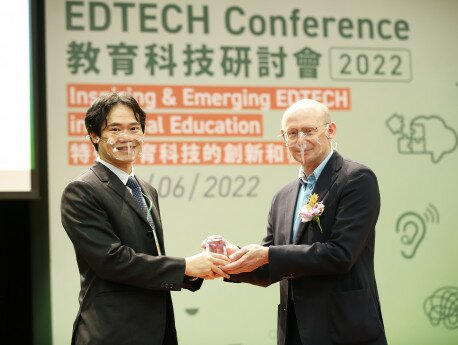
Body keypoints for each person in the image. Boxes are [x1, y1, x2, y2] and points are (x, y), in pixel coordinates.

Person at [61, 92, 229, 345]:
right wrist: (185, 265)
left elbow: (150, 259)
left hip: (157, 328)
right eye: (115, 129)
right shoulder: (82, 190)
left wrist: (195, 272)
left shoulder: (145, 189)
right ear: (94, 136)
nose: (127, 137)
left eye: (134, 128)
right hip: (112, 331)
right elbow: (112, 260)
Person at [221, 99, 388, 345]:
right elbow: (270, 265)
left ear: (330, 130)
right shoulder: (283, 196)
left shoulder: (356, 179)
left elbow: (341, 255)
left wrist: (267, 255)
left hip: (345, 330)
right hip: (295, 332)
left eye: (309, 131)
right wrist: (231, 260)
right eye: (292, 133)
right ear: (283, 137)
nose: (300, 140)